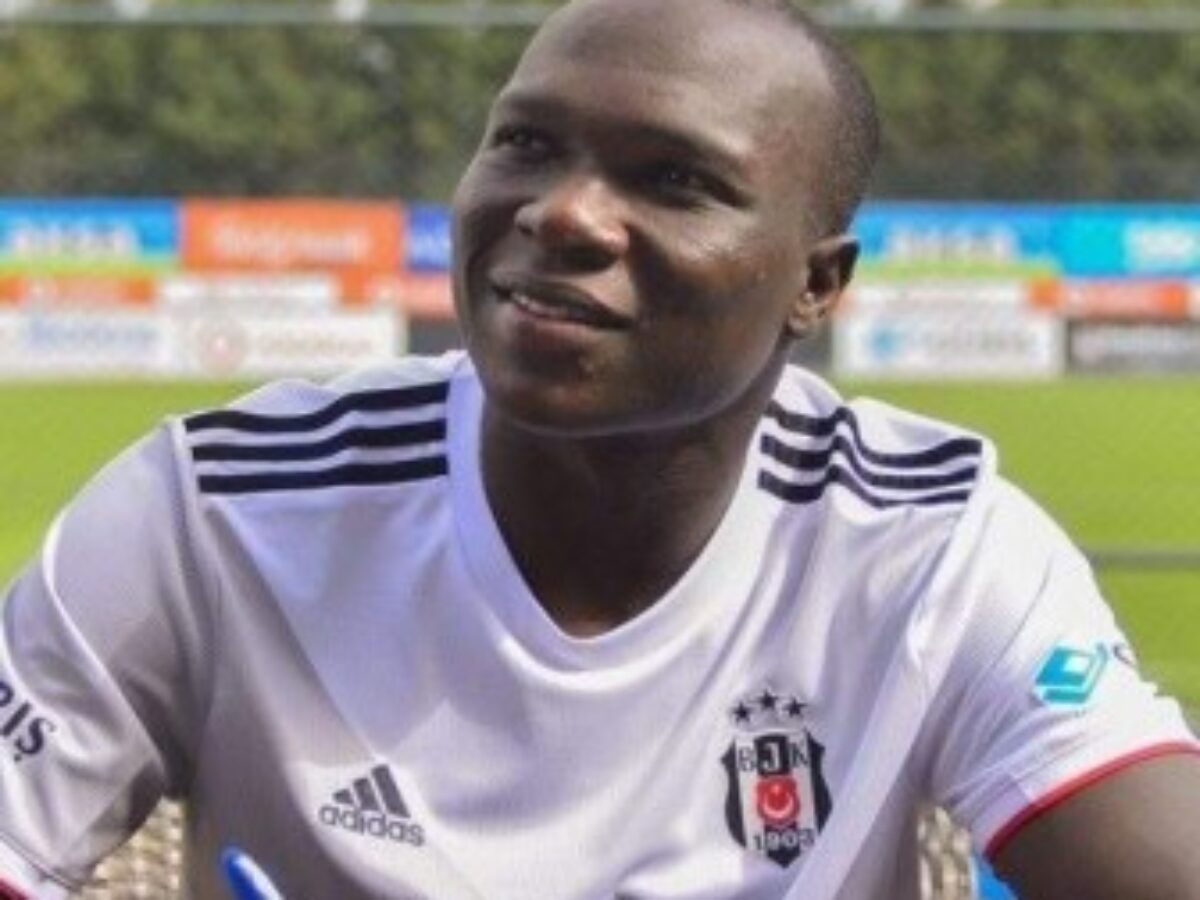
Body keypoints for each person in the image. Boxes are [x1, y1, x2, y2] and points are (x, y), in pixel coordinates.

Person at [1, 0, 1198, 897]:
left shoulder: (932, 545)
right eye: (524, 144)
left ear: (816, 284)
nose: (564, 211)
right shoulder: (212, 513)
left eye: (675, 179)